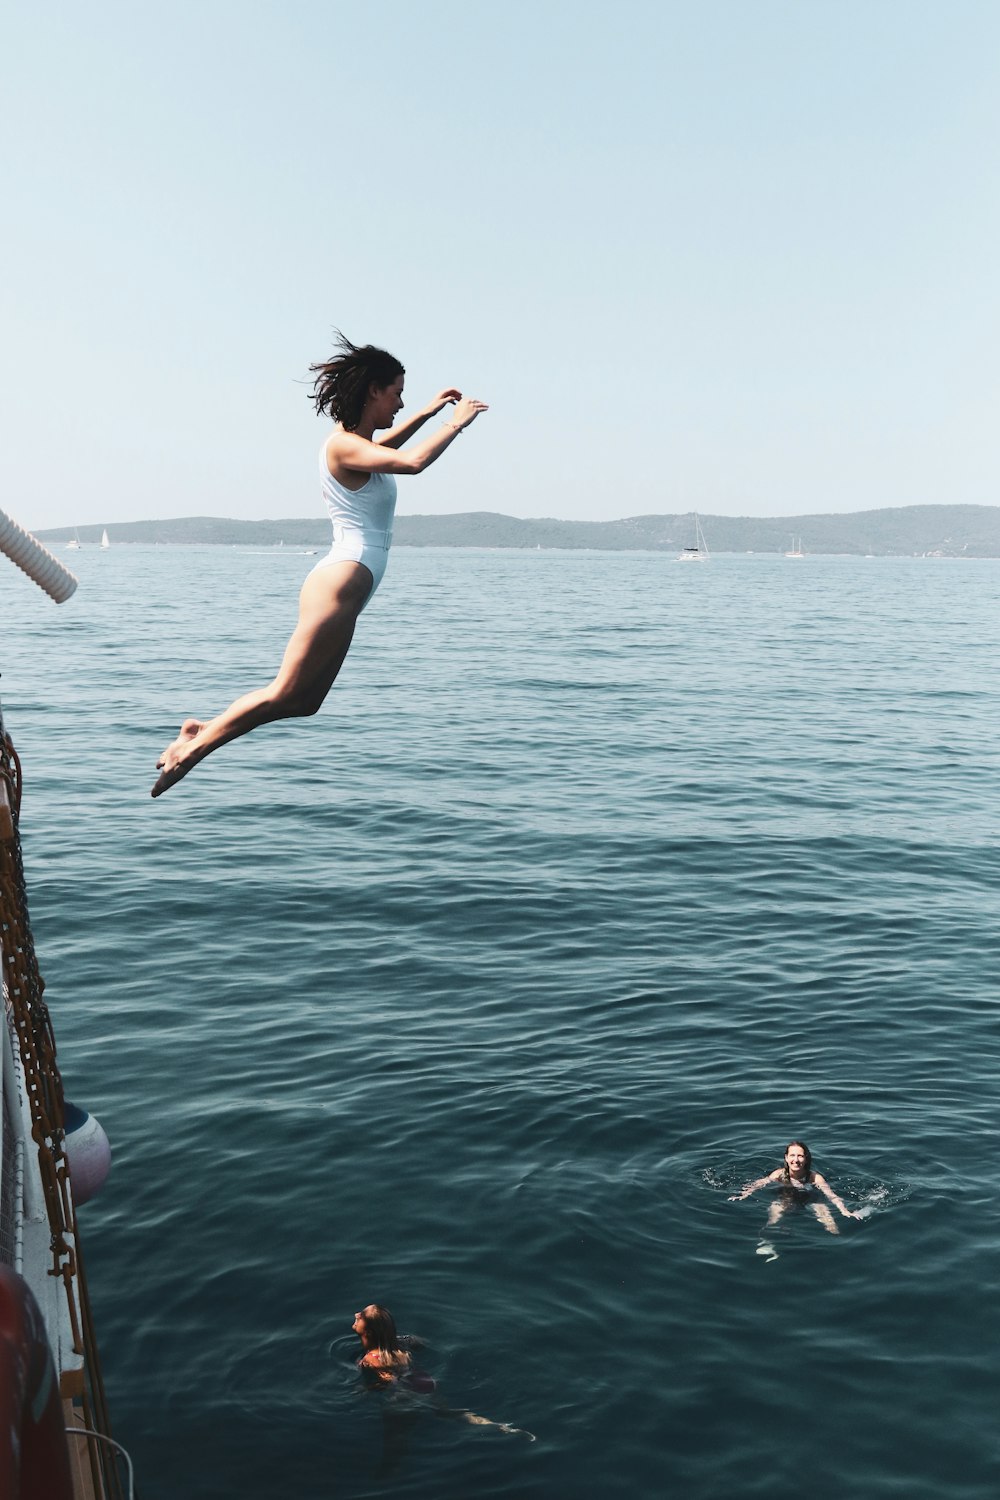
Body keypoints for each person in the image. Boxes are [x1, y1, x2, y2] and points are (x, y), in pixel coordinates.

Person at [151, 335, 488, 797]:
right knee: (284, 689)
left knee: (305, 702)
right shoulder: (342, 447)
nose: (401, 401)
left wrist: (427, 414)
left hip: (352, 585)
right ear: (373, 391)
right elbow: (410, 462)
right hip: (339, 581)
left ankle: (204, 728)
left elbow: (389, 443)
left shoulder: (359, 445)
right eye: (396, 393)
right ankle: (195, 744)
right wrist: (456, 424)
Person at [351, 1304, 533, 1439]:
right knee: (448, 1411)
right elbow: (419, 1342)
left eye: (361, 1317)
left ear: (368, 1332)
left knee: (394, 1436)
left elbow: (386, 1380)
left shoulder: (369, 1360)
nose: (356, 1314)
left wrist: (364, 1390)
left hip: (406, 1392)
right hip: (424, 1382)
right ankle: (498, 1426)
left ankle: (392, 1465)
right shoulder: (402, 1342)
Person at [729, 1141, 862, 1236]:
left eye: (800, 1156)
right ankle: (766, 1241)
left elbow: (831, 1195)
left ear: (806, 1159)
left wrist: (844, 1211)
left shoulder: (814, 1177)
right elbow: (759, 1183)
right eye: (792, 1155)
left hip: (812, 1198)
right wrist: (744, 1194)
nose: (796, 1160)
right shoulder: (779, 1174)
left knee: (831, 1227)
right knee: (773, 1220)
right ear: (786, 1158)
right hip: (785, 1197)